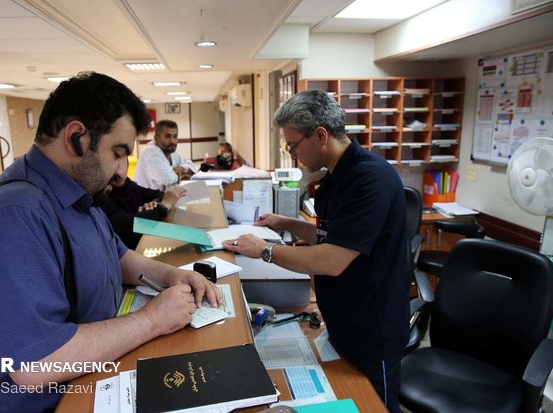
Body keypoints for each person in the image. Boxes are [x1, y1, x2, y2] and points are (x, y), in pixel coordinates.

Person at [0, 72, 221, 413]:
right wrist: (152, 320)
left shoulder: (78, 194)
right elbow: (35, 364)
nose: (122, 173)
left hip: (91, 375)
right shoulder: (14, 213)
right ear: (76, 138)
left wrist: (171, 275)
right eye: (118, 153)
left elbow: (118, 257)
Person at [222, 90, 408, 413]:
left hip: (372, 331)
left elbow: (333, 258)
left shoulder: (370, 180)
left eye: (293, 145)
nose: (293, 155)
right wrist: (288, 223)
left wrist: (266, 251)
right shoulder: (336, 177)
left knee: (374, 406)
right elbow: (330, 234)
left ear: (320, 135)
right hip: (343, 323)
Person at [100, 156, 186, 249]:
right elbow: (127, 223)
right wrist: (163, 206)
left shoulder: (129, 185)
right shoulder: (102, 195)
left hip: (148, 242)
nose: (118, 172)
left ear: (127, 165)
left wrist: (154, 203)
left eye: (121, 162)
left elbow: (158, 194)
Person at [132, 119, 196, 190]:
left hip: (163, 197)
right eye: (167, 136)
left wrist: (183, 168)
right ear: (156, 139)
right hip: (144, 199)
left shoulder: (173, 153)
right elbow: (168, 179)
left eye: (175, 136)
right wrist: (181, 175)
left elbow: (192, 167)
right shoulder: (150, 152)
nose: (172, 141)